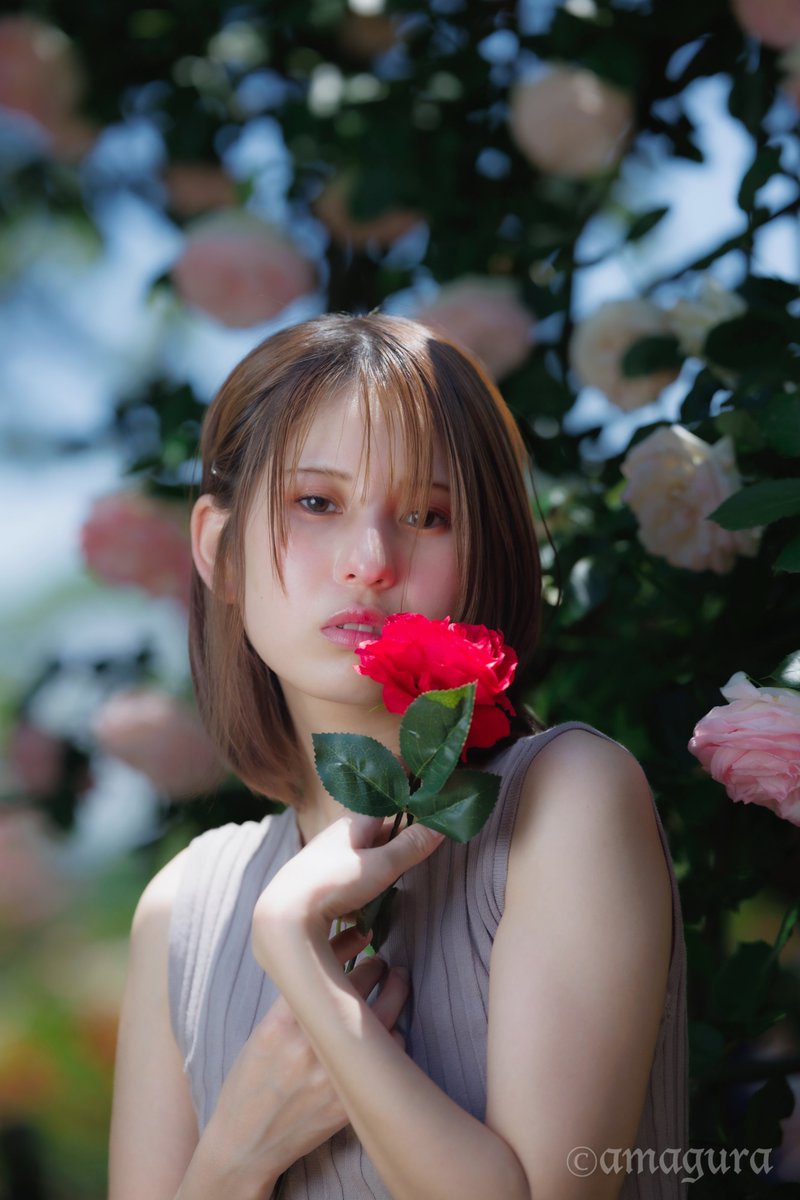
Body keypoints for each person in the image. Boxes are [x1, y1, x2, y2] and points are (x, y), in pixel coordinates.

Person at [108, 312, 687, 1200]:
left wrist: (300, 959)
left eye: (427, 515)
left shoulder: (566, 802)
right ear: (219, 552)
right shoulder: (181, 911)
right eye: (316, 502)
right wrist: (237, 1155)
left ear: (482, 552)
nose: (372, 561)